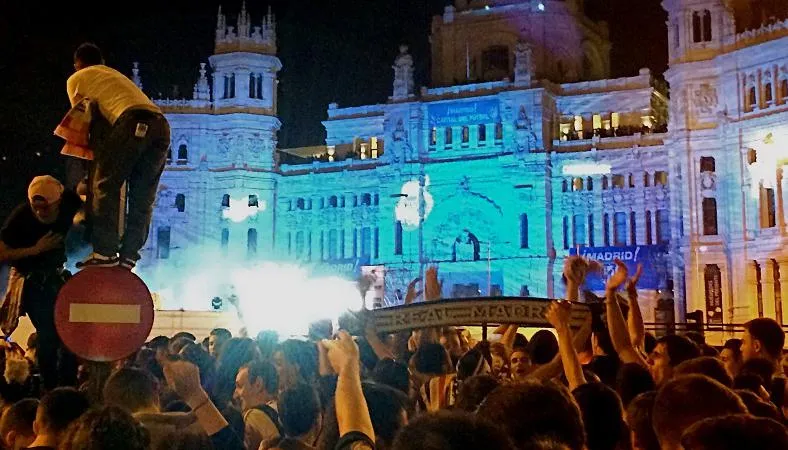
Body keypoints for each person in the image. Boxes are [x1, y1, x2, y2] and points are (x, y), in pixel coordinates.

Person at [67, 42, 170, 269]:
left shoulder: (78, 78)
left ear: (77, 65)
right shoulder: (114, 76)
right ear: (102, 62)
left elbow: (85, 121)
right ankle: (129, 255)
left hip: (131, 122)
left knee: (104, 185)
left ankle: (105, 253)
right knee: (143, 196)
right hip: (161, 126)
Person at [0, 176, 80, 390]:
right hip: (33, 281)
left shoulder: (69, 203)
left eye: (46, 208)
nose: (40, 213)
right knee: (47, 333)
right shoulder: (21, 217)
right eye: (36, 208)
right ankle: (50, 388)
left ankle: (69, 384)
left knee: (70, 333)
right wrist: (35, 250)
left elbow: (83, 191)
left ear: (58, 202)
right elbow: (2, 252)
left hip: (58, 276)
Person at [233, 361, 281, 450]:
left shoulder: (253, 416)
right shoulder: (282, 410)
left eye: (239, 386)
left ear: (258, 384)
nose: (235, 395)